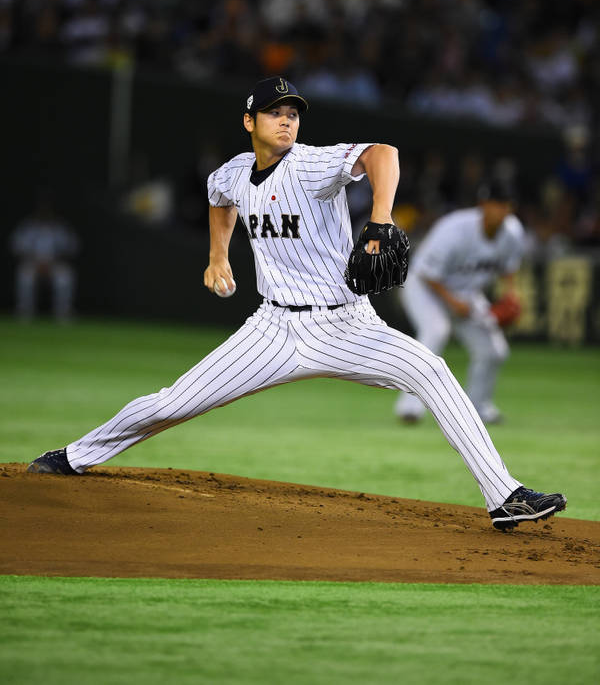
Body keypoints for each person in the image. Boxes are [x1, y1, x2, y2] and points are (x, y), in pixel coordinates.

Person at [28, 77, 566, 531]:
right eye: (274, 113)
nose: (286, 121)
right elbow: (219, 197)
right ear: (249, 122)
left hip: (347, 324)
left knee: (431, 370)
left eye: (292, 114)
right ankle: (75, 455)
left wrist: (381, 217)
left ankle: (504, 496)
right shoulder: (235, 171)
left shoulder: (311, 165)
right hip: (273, 329)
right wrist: (218, 256)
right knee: (173, 404)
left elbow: (383, 153)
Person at [395, 182, 525, 426]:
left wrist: (511, 296)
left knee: (494, 350)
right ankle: (409, 408)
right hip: (424, 288)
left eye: (505, 205)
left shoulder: (512, 232)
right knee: (435, 331)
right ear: (483, 205)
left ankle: (478, 408)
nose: (500, 210)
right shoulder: (455, 228)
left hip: (466, 293)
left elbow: (509, 267)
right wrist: (453, 302)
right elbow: (427, 272)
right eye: (495, 204)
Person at [9, 200, 79, 322]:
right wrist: (35, 261)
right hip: (32, 263)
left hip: (54, 264)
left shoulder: (60, 228)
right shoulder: (28, 227)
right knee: (25, 276)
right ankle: (25, 311)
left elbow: (72, 247)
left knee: (65, 277)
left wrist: (54, 261)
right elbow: (17, 247)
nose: (44, 214)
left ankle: (63, 312)